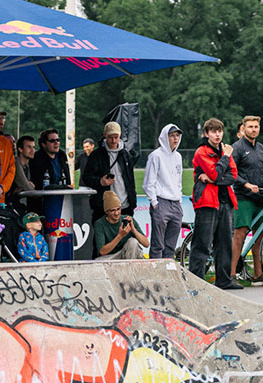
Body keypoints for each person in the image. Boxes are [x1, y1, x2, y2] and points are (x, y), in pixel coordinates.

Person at [190, 118, 241, 290]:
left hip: (225, 201)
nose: (217, 135)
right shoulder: (202, 152)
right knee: (202, 244)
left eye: (219, 131)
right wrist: (225, 158)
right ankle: (196, 281)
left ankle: (224, 280)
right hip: (207, 202)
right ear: (206, 134)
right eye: (213, 131)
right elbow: (218, 174)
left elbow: (232, 175)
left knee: (225, 243)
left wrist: (213, 178)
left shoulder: (223, 150)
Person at [231, 116, 263, 282]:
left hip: (260, 197)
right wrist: (246, 184)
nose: (254, 129)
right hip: (243, 197)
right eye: (250, 126)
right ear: (243, 128)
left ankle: (259, 273)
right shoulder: (237, 148)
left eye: (256, 126)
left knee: (259, 236)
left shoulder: (260, 148)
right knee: (240, 234)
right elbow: (232, 172)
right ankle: (231, 274)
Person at [144, 124, 184, 260]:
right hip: (161, 202)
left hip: (175, 203)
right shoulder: (156, 156)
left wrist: (179, 199)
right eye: (172, 136)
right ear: (165, 137)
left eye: (177, 135)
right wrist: (154, 202)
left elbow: (179, 181)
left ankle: (168, 273)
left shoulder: (178, 156)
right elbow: (148, 183)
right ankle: (155, 274)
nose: (175, 139)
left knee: (171, 245)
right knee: (158, 244)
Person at [82, 122, 136, 221]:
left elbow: (130, 179)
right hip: (103, 208)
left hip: (125, 206)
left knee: (126, 235)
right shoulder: (96, 155)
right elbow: (86, 177)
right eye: (110, 137)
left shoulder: (126, 155)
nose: (113, 140)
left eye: (116, 137)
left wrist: (133, 201)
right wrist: (100, 182)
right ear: (105, 136)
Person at [94, 190, 148, 260]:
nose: (116, 213)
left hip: (129, 255)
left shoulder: (128, 219)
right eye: (112, 210)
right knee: (98, 261)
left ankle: (130, 269)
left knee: (132, 242)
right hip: (112, 256)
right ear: (107, 212)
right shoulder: (100, 224)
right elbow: (102, 252)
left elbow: (146, 244)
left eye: (118, 209)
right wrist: (120, 236)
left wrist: (133, 230)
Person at [10, 135, 35, 206]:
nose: (32, 150)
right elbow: (27, 188)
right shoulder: (16, 163)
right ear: (20, 149)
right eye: (29, 147)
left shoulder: (26, 166)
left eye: (33, 147)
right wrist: (29, 186)